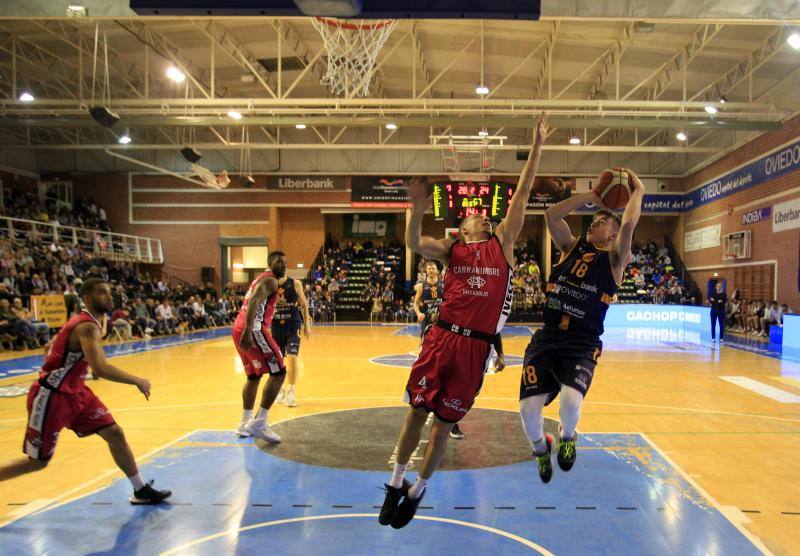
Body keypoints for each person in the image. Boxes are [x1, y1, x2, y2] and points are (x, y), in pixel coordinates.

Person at [379, 113, 547, 530]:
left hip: (475, 348)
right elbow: (413, 241)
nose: (484, 219)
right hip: (442, 337)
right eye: (477, 218)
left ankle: (418, 489)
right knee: (416, 414)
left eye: (488, 217)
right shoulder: (450, 249)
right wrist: (415, 208)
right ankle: (395, 483)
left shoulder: (503, 244)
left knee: (444, 425)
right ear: (462, 226)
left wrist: (538, 145)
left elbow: (523, 195)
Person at [519, 166, 645, 484]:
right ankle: (539, 448)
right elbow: (551, 215)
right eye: (595, 220)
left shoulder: (615, 261)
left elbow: (629, 222)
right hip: (547, 339)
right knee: (528, 411)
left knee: (572, 400)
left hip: (581, 343)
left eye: (604, 223)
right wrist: (591, 196)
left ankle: (568, 436)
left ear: (614, 236)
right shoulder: (571, 247)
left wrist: (638, 192)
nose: (596, 223)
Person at [0, 278, 171, 504]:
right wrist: (137, 380)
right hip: (52, 397)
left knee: (115, 434)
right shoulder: (87, 326)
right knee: (37, 462)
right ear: (88, 299)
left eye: (110, 293)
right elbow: (100, 368)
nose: (109, 297)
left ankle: (140, 490)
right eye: (102, 293)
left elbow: (48, 346)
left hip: (77, 393)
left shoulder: (88, 321)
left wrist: (62, 367)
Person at [232, 251, 287, 443]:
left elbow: (256, 299)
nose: (284, 264)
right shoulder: (271, 280)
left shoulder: (261, 279)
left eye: (285, 262)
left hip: (239, 328)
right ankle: (260, 421)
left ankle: (245, 422)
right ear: (270, 262)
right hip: (253, 330)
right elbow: (255, 300)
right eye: (280, 261)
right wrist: (249, 330)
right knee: (279, 372)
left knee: (253, 376)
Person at [412, 260, 465, 440]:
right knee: (428, 370)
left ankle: (450, 422)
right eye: (429, 268)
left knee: (448, 373)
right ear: (426, 271)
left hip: (444, 327)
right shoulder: (421, 287)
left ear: (437, 270)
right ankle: (422, 409)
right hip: (428, 326)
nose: (431, 269)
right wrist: (418, 313)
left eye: (433, 267)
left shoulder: (444, 284)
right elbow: (416, 303)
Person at [272, 256, 312, 408]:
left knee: (293, 357)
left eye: (284, 264)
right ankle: (281, 390)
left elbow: (304, 305)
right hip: (276, 327)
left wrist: (307, 325)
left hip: (293, 325)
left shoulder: (295, 284)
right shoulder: (270, 285)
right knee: (278, 361)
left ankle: (292, 390)